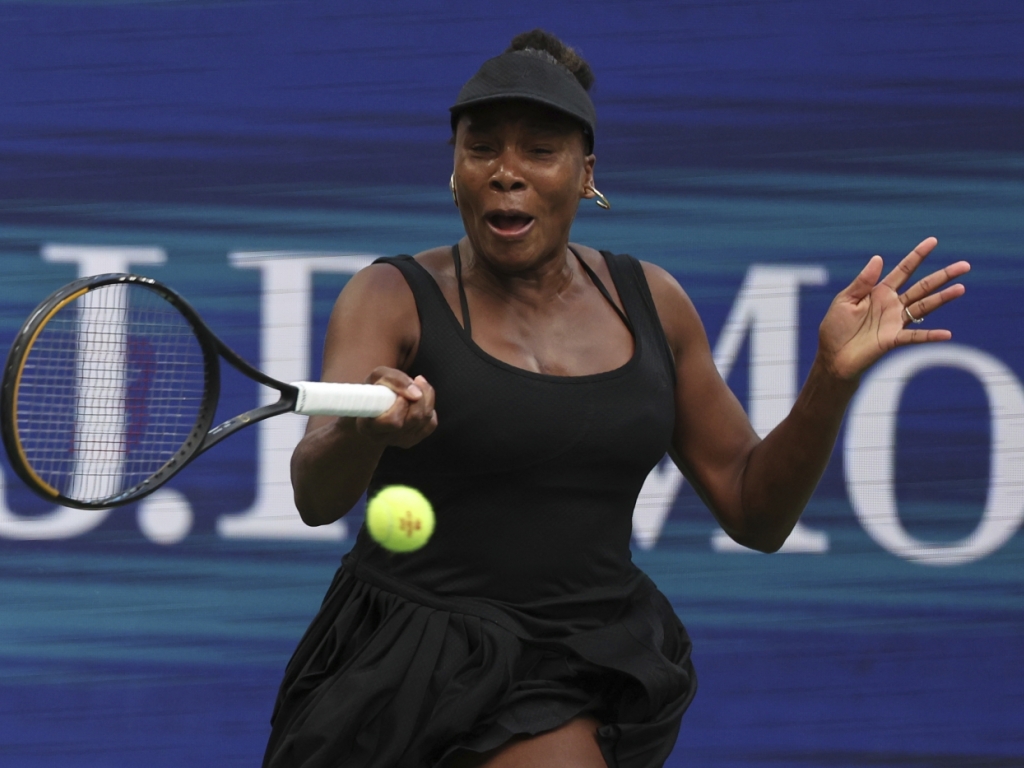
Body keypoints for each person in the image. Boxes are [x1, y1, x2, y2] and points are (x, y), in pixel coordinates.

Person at [262, 29, 969, 768]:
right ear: (455, 171)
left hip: (574, 659)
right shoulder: (389, 296)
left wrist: (831, 377)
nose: (507, 174)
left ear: (586, 174)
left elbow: (755, 510)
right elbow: (315, 492)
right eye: (481, 149)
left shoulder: (653, 302)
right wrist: (368, 430)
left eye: (540, 151)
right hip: (410, 664)